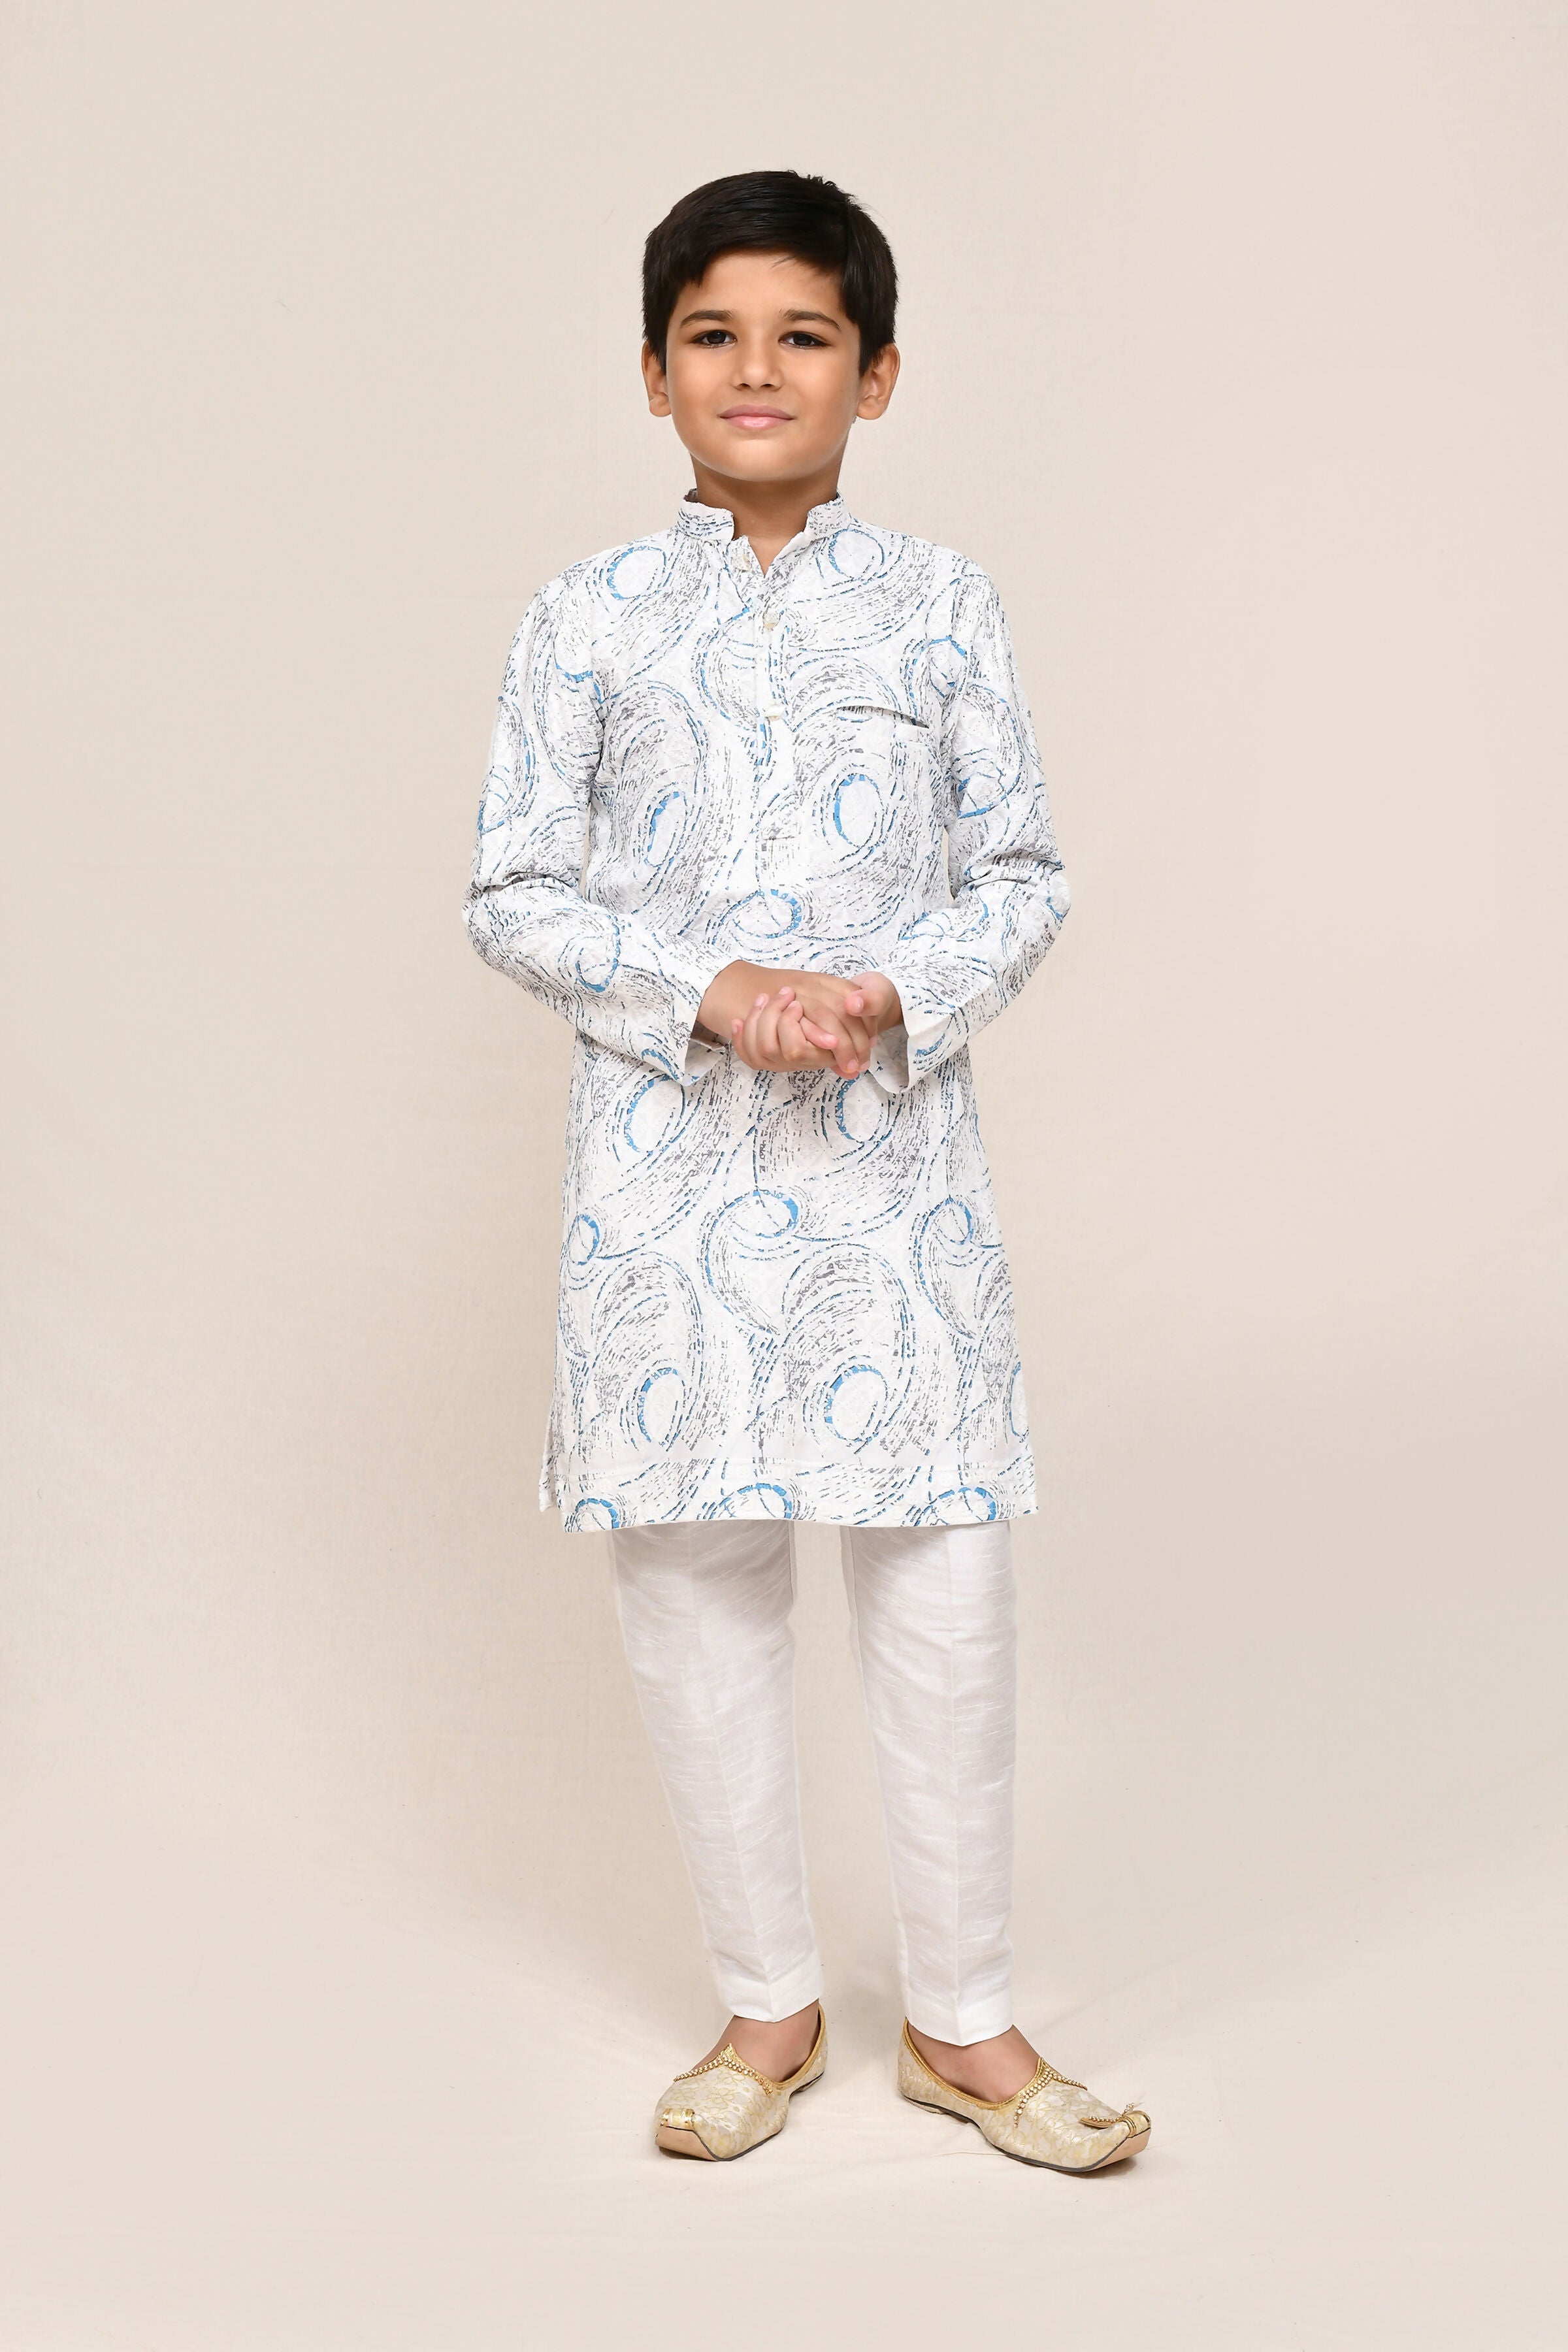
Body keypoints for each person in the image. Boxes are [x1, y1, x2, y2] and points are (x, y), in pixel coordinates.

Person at [463, 169, 1149, 2172]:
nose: (756, 369)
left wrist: (883, 996)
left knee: (942, 1576)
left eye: (804, 335)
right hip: (664, 1183)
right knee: (695, 1584)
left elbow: (1020, 873)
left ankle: (965, 2022)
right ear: (653, 373)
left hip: (888, 1166)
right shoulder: (586, 616)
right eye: (714, 334)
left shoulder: (938, 605)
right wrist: (711, 991)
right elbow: (514, 888)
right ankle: (766, 2006)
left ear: (879, 372)